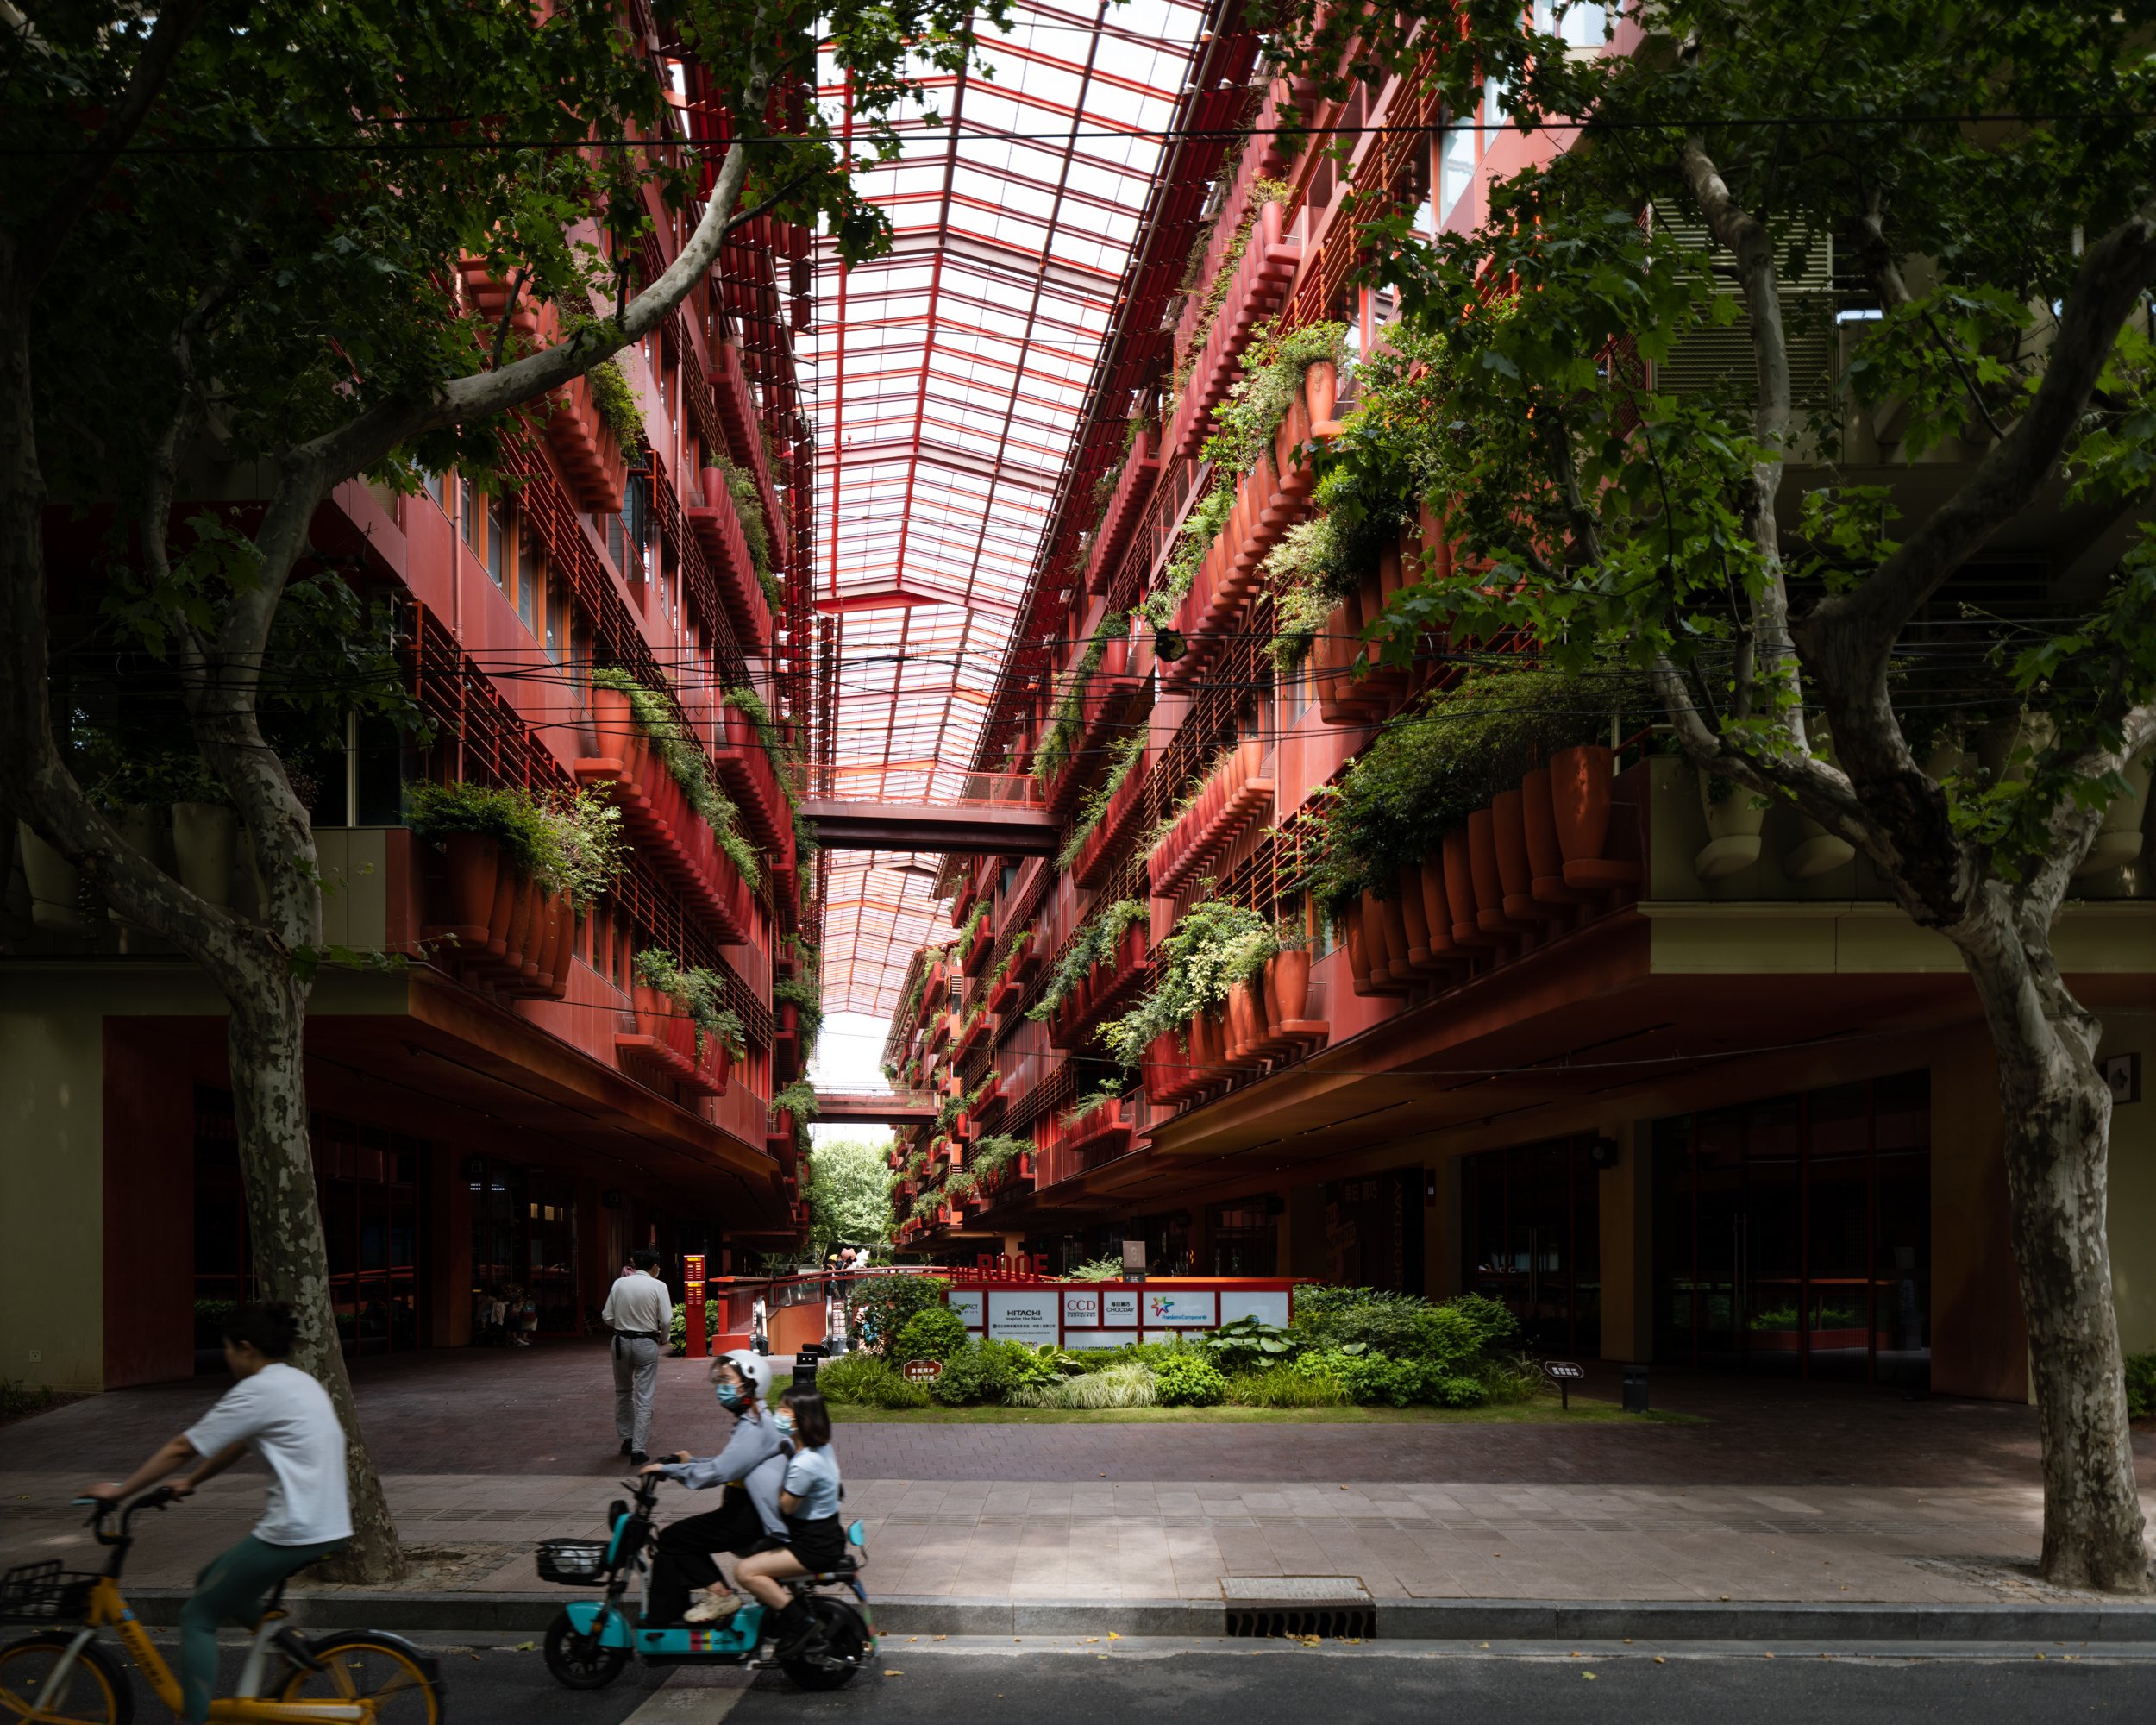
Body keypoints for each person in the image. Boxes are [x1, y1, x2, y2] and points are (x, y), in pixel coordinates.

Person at [82, 1305, 352, 1725]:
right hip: (327, 1523)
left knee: (197, 1616)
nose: (225, 1358)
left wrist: (120, 1492)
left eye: (226, 1348)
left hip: (295, 1529)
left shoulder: (258, 1390)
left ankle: (195, 1717)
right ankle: (289, 1645)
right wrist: (193, 1482)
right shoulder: (297, 1382)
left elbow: (181, 1447)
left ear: (244, 1348)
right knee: (211, 1579)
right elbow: (239, 1442)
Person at [637, 1350, 788, 1625]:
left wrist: (669, 1470)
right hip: (745, 1510)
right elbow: (731, 1462)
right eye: (718, 1380)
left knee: (674, 1539)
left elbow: (722, 1471)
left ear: (751, 1383)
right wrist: (690, 1461)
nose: (721, 1387)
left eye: (727, 1380)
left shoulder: (757, 1425)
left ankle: (720, 1595)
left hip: (750, 1517)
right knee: (680, 1538)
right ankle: (673, 1614)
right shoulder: (752, 1420)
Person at [734, 1385, 843, 1657]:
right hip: (827, 1534)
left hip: (813, 1544)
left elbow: (786, 1507)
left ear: (800, 1419)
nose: (778, 1415)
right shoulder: (821, 1449)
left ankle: (802, 1623)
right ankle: (782, 1618)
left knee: (745, 1572)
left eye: (784, 1410)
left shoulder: (804, 1464)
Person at [599, 1247, 671, 1465]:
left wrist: (622, 1326)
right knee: (644, 1395)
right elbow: (666, 1320)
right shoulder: (659, 1286)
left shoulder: (619, 1284)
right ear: (655, 1266)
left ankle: (627, 1439)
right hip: (646, 1342)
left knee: (623, 1391)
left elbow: (607, 1316)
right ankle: (638, 1449)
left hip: (620, 1341)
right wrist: (664, 1338)